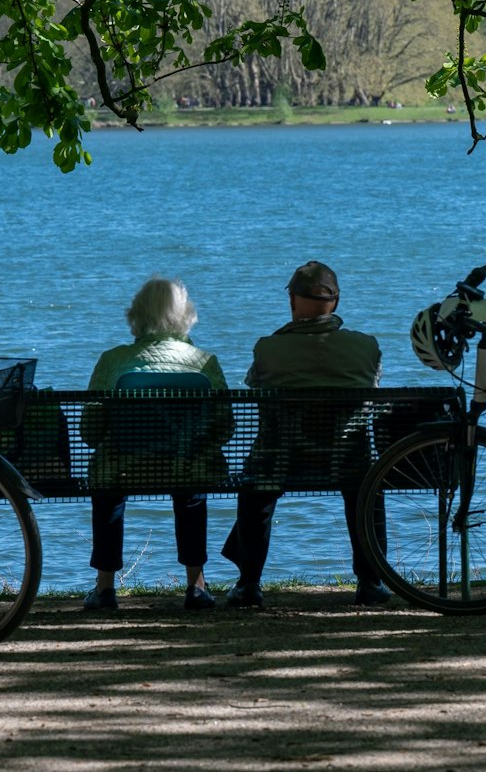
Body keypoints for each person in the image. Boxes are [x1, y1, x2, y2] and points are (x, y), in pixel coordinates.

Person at [220, 260, 391, 608]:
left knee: (257, 485)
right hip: (348, 461)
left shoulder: (268, 348)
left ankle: (249, 582)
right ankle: (370, 582)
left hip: (281, 461)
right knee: (366, 487)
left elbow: (257, 389)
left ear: (292, 302)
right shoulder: (365, 346)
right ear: (336, 303)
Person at [79, 276, 230, 612]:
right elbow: (225, 428)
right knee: (192, 483)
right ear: (185, 315)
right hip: (185, 465)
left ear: (136, 316)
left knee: (108, 486)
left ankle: (104, 588)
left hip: (123, 468)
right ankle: (196, 584)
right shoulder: (205, 362)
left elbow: (89, 432)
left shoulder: (113, 362)